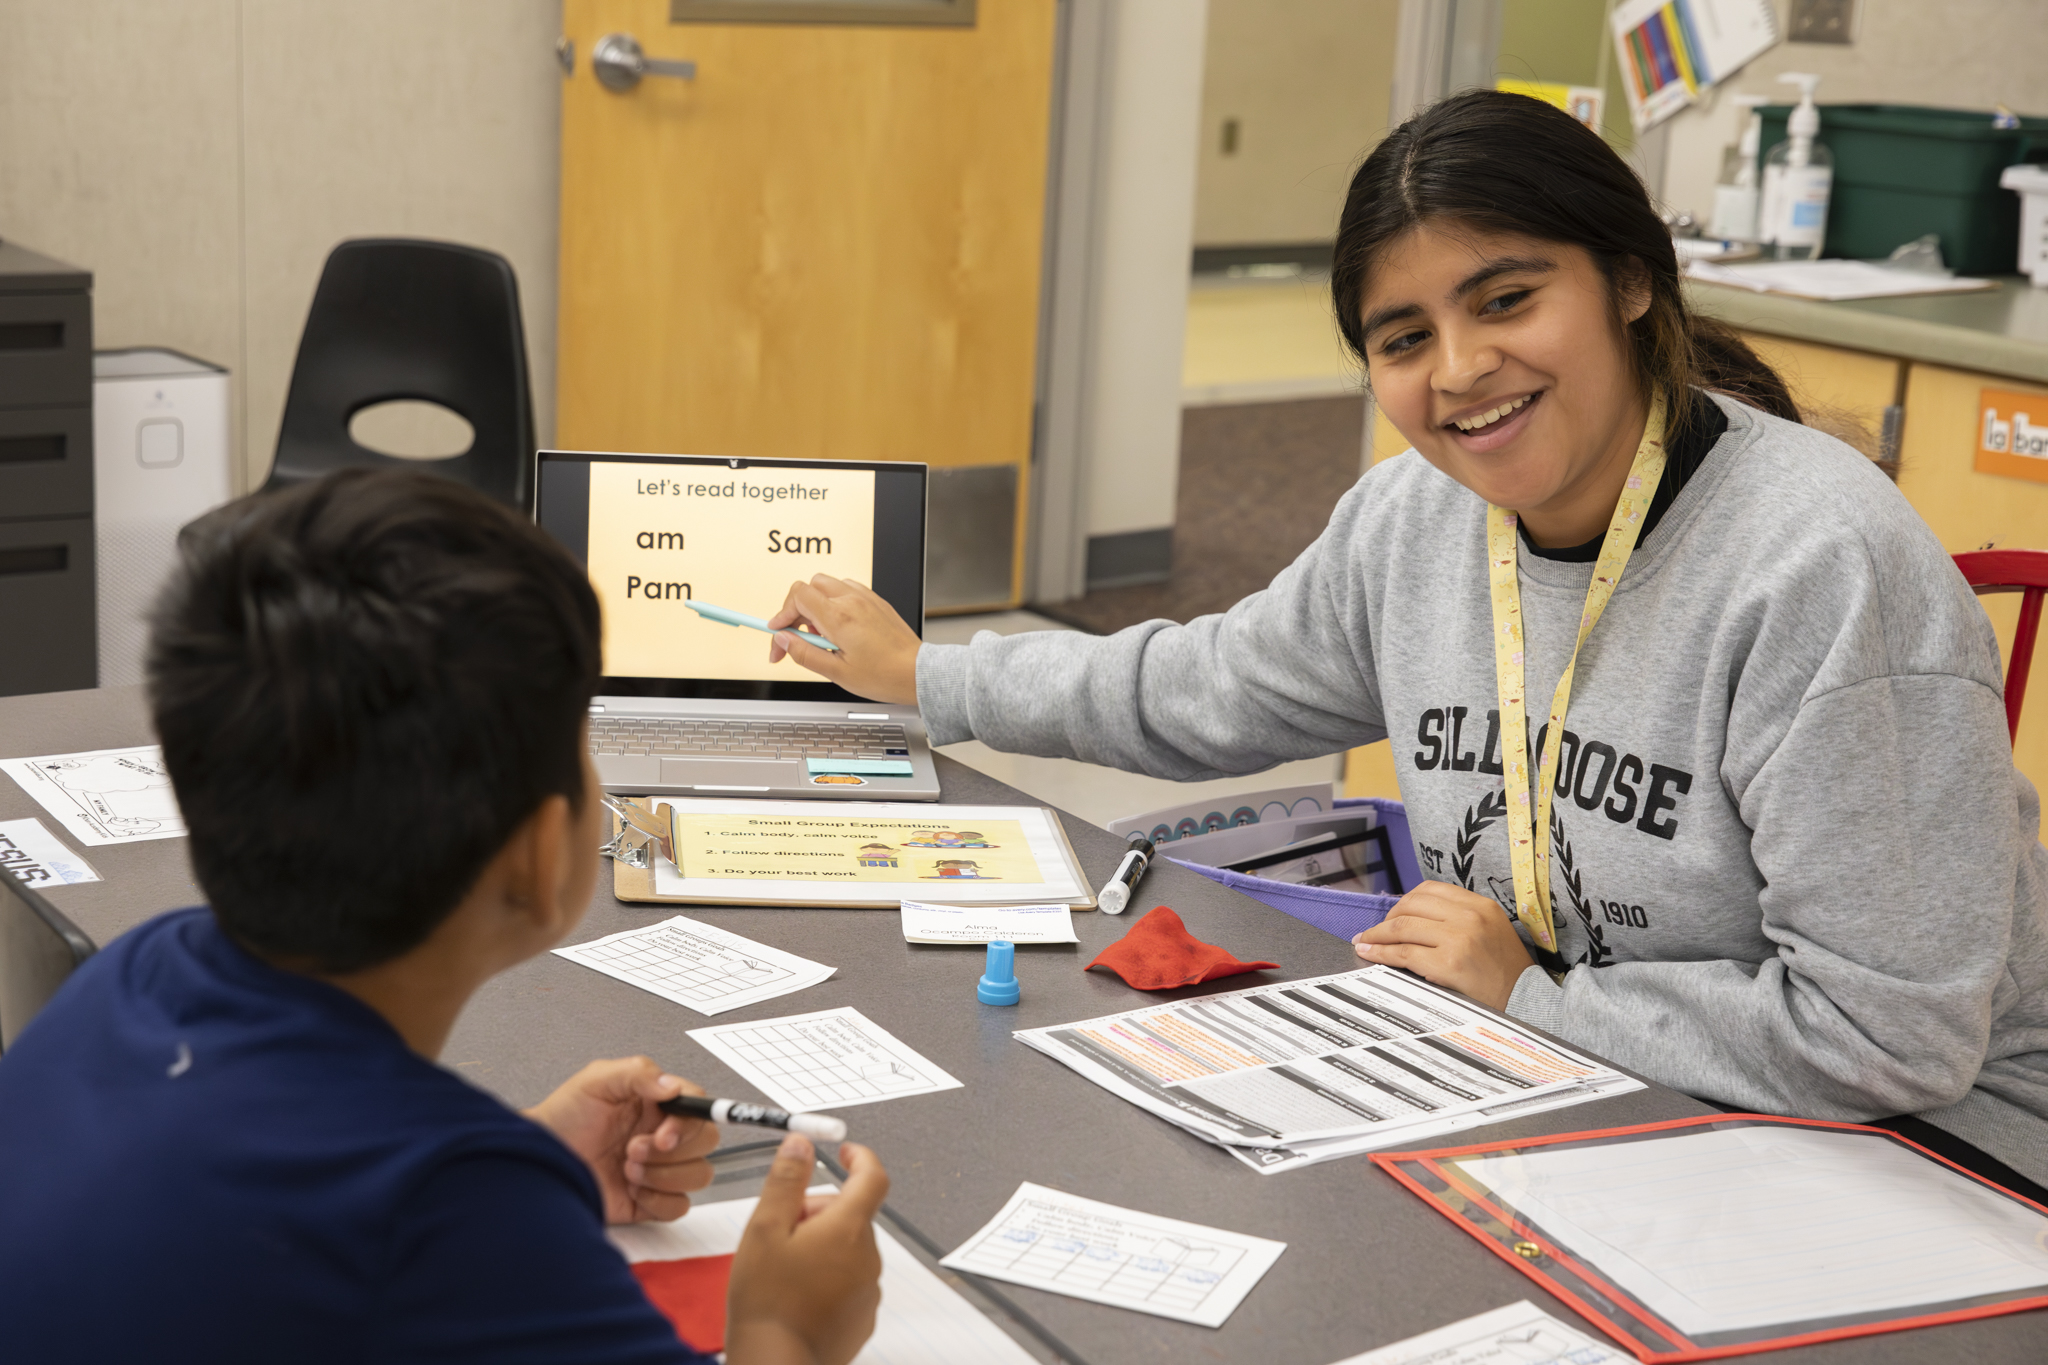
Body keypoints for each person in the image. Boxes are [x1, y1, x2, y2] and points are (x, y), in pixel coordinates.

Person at [762, 91, 2048, 1197]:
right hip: (1586, 1073)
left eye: (1506, 299)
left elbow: (1886, 1038)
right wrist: (928, 675)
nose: (1460, 368)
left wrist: (1531, 997)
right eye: (1403, 338)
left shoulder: (1816, 565)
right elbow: (1202, 688)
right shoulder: (1416, 520)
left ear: (1628, 280)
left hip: (1922, 1148)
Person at [0, 469, 889, 1364]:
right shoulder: (457, 1217)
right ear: (537, 857)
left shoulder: (133, 973)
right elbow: (396, 1222)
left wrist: (524, 1157)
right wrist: (785, 1329)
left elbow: (251, 1211)